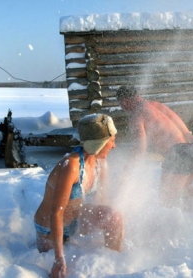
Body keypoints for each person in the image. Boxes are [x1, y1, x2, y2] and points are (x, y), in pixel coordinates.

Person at [33, 113, 123, 278]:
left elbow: (101, 201)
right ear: (98, 143)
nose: (114, 146)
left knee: (113, 216)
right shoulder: (71, 166)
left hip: (76, 219)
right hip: (49, 228)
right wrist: (59, 259)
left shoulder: (100, 164)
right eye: (111, 140)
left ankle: (115, 264)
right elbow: (56, 213)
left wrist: (107, 226)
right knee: (60, 272)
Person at [116, 85, 193, 208]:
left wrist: (127, 171)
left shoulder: (137, 116)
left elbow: (140, 148)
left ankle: (180, 223)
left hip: (180, 154)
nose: (123, 109)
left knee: (165, 200)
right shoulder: (157, 105)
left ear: (125, 101)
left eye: (121, 105)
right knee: (178, 194)